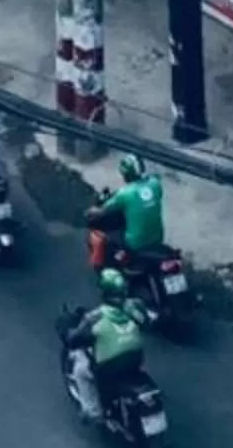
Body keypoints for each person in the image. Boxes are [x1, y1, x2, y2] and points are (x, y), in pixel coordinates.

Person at [63, 269, 146, 426]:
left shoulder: (96, 316)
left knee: (80, 371)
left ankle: (94, 412)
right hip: (136, 357)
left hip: (110, 367)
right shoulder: (134, 306)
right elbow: (145, 321)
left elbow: (74, 339)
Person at [86, 152, 167, 275]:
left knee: (109, 239)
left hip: (135, 243)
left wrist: (91, 211)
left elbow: (103, 210)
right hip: (158, 238)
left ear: (126, 174)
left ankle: (114, 269)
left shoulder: (124, 194)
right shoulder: (155, 185)